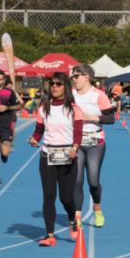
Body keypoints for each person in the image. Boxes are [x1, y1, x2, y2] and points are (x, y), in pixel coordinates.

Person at [28, 72, 83, 246]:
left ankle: (72, 218)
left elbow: (78, 133)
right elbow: (39, 130)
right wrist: (34, 139)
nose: (54, 87)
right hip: (47, 156)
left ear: (66, 87)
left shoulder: (74, 109)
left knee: (66, 198)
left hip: (68, 156)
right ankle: (49, 235)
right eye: (52, 84)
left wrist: (75, 148)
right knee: (49, 196)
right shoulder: (44, 108)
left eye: (58, 84)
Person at [71, 64, 116, 226]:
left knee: (93, 181)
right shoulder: (70, 95)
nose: (73, 80)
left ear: (86, 77)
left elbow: (111, 119)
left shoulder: (98, 95)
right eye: (72, 77)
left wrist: (92, 118)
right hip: (75, 142)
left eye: (76, 76)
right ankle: (77, 217)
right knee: (76, 181)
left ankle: (97, 209)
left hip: (95, 141)